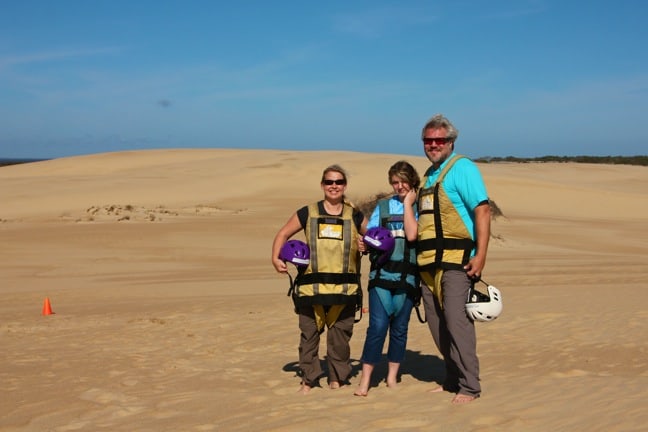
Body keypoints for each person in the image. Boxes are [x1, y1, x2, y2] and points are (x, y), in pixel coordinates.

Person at [272, 164, 367, 394]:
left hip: (344, 290)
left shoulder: (354, 215)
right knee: (309, 337)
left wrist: (365, 244)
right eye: (329, 182)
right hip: (310, 290)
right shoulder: (308, 212)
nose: (334, 186)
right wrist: (275, 258)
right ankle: (309, 378)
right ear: (322, 185)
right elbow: (283, 233)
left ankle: (338, 377)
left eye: (338, 182)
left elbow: (374, 238)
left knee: (340, 338)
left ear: (344, 186)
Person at [416, 114, 491, 404]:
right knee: (437, 327)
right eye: (428, 140)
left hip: (457, 263)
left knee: (457, 323)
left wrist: (481, 255)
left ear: (451, 142)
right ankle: (452, 378)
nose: (433, 145)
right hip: (428, 265)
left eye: (439, 140)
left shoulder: (463, 168)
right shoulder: (429, 175)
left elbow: (482, 211)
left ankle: (470, 386)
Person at [354, 161, 420, 397]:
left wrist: (410, 205)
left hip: (408, 278)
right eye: (394, 182)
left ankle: (392, 378)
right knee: (378, 327)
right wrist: (363, 243)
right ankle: (365, 380)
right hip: (381, 276)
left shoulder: (421, 207)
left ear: (412, 181)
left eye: (403, 181)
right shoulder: (382, 207)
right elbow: (370, 237)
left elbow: (413, 235)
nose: (399, 186)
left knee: (400, 329)